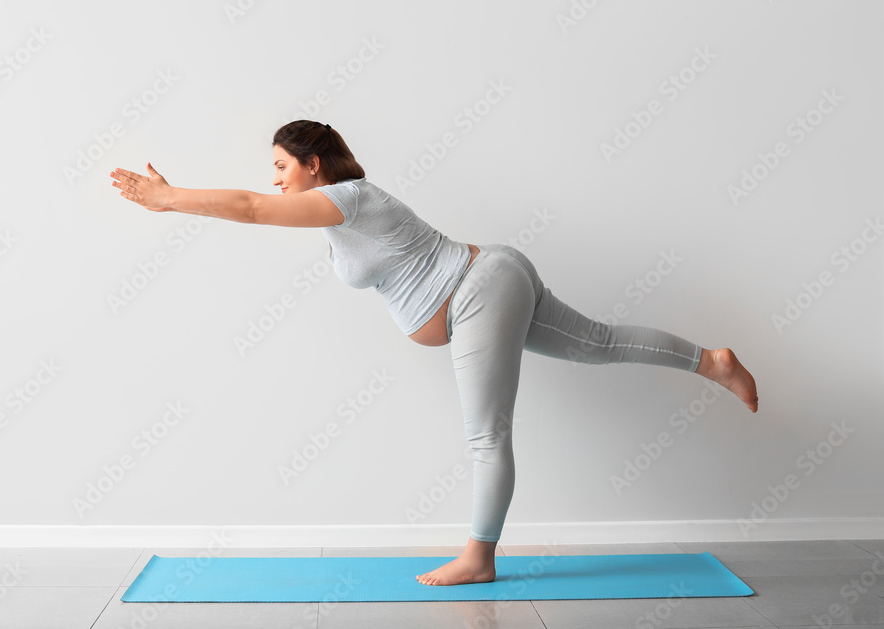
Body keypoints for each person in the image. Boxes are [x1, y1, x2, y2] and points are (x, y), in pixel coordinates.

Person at [109, 119, 759, 587]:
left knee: (486, 434)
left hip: (478, 291)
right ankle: (713, 361)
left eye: (281, 166)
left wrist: (170, 198)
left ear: (313, 165)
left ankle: (480, 555)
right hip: (490, 279)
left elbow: (250, 209)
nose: (273, 180)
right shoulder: (338, 218)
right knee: (597, 344)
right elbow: (261, 207)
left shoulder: (350, 197)